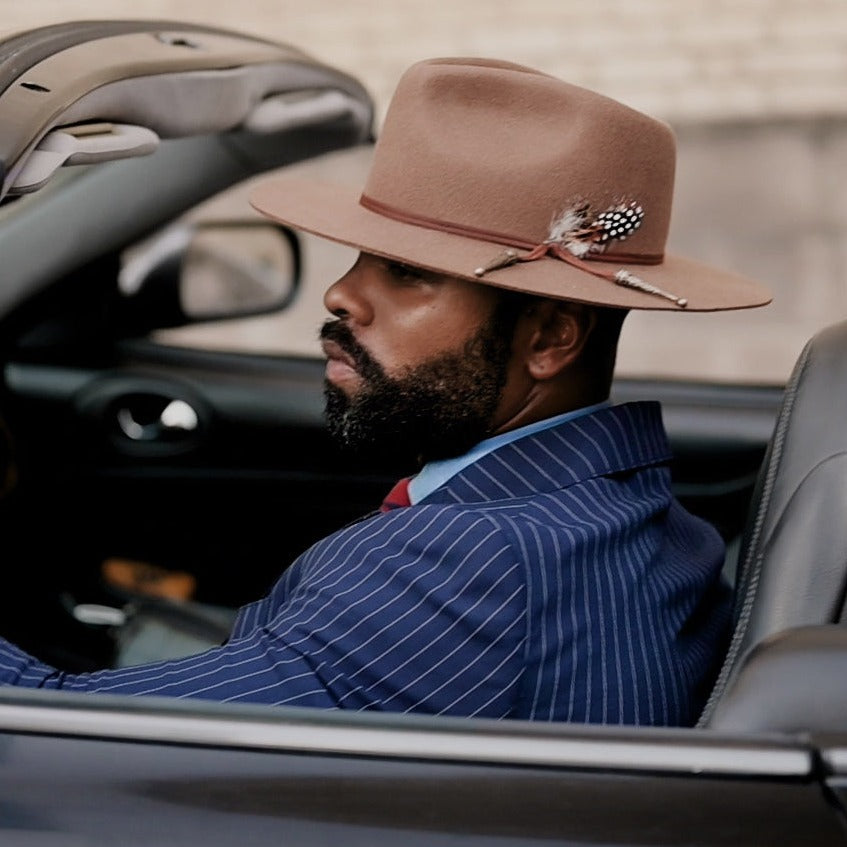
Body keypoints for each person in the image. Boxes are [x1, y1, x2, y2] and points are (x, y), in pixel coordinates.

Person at [0, 57, 770, 726]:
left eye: (409, 273)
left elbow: (56, 733)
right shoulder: (637, 511)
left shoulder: (467, 565)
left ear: (549, 338)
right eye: (361, 257)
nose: (339, 294)